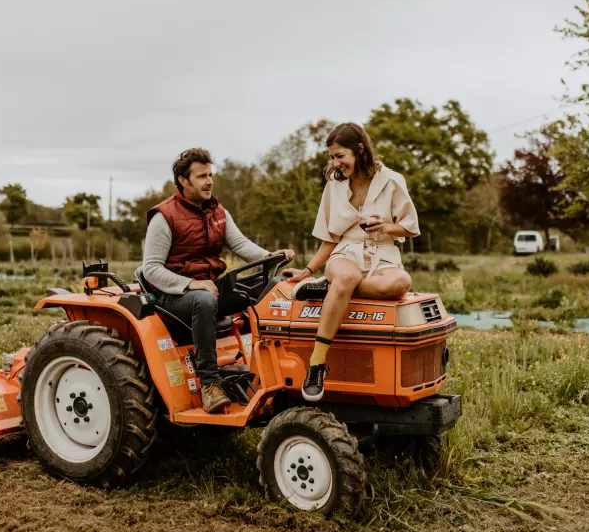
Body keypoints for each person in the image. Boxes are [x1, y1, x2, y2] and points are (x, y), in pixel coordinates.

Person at [143, 148, 294, 414]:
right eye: (201, 176)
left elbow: (240, 244)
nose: (209, 181)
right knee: (203, 300)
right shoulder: (163, 217)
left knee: (270, 285)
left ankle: (271, 371)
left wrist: (273, 258)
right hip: (171, 296)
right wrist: (191, 284)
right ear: (183, 180)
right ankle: (210, 385)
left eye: (210, 174)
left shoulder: (217, 211)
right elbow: (151, 270)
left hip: (209, 289)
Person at [284, 123, 419, 401]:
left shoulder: (392, 180)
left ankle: (331, 289)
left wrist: (384, 226)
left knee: (401, 283)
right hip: (345, 252)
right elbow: (329, 236)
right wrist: (308, 270)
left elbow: (409, 227)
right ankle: (317, 364)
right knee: (346, 276)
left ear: (360, 150)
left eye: (340, 156)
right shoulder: (334, 184)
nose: (336, 163)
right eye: (332, 157)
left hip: (382, 253)